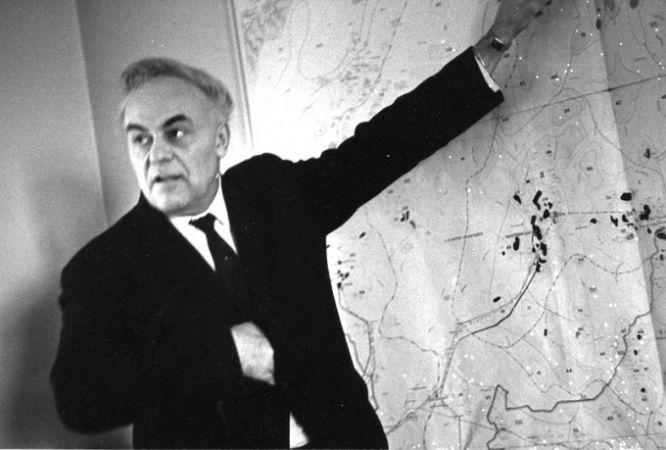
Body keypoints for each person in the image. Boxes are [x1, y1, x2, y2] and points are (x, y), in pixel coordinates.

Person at [51, 1, 552, 448]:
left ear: (220, 138)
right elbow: (81, 398)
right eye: (140, 138)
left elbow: (383, 147)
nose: (156, 154)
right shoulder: (102, 267)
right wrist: (223, 354)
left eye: (176, 132)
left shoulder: (272, 193)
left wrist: (498, 39)